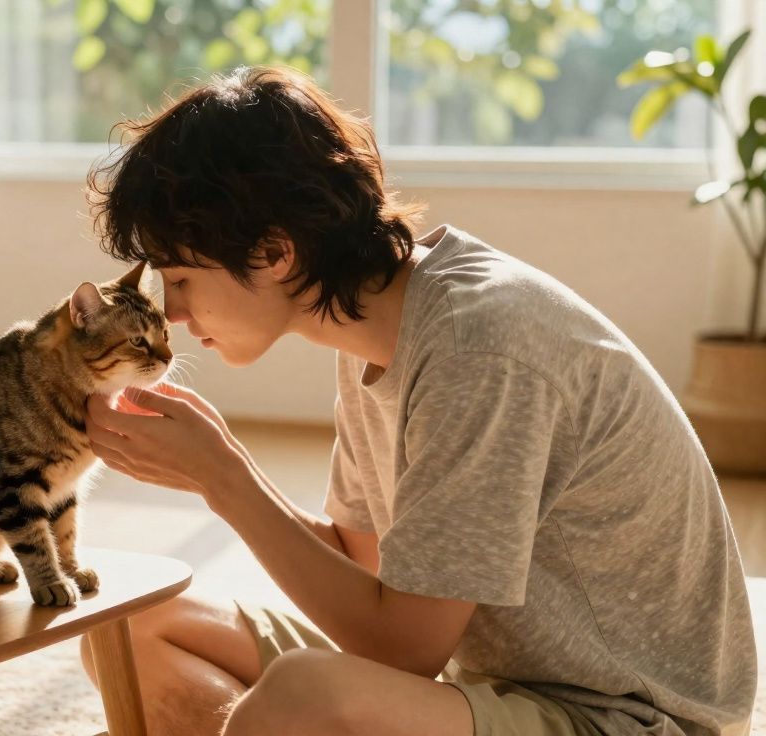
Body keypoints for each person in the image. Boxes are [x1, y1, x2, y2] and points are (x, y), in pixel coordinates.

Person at [75, 66, 755, 736]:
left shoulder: (477, 345)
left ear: (276, 252)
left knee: (304, 695)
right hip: (484, 685)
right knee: (129, 631)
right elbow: (363, 564)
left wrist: (223, 478)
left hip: (629, 716)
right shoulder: (371, 330)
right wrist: (215, 468)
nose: (175, 316)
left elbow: (402, 650)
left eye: (181, 280)